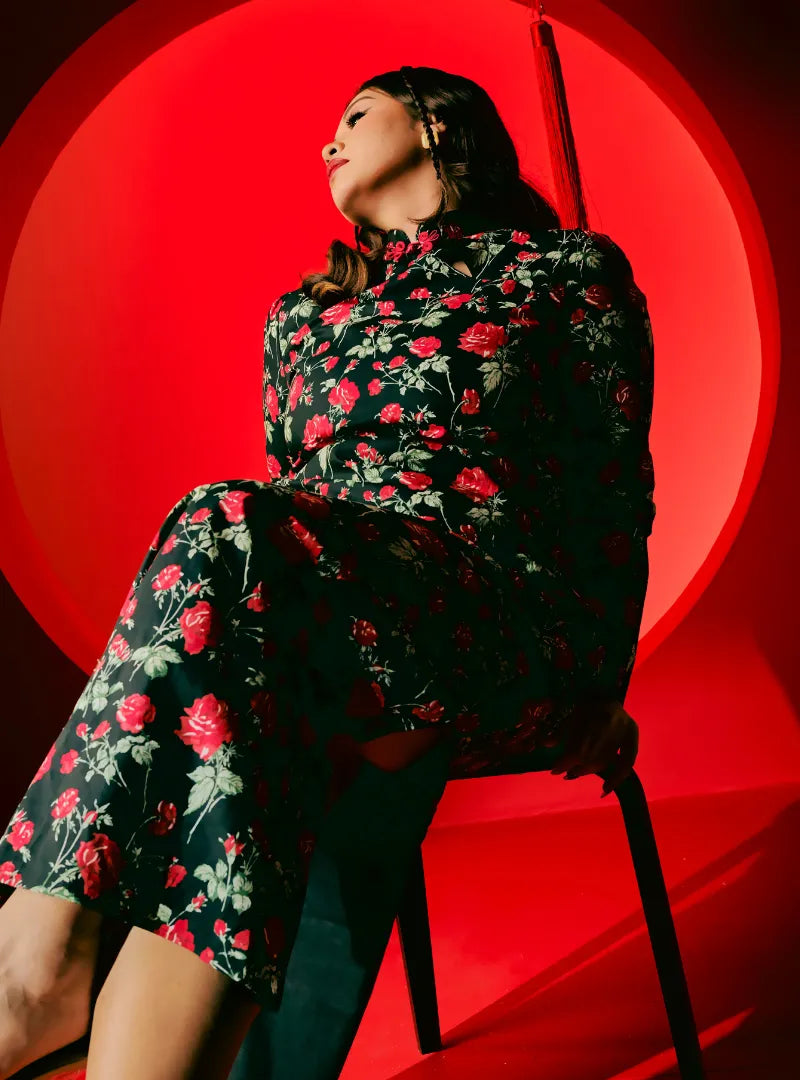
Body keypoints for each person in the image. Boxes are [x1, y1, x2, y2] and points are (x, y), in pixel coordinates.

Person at [0, 64, 654, 1079]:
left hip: (495, 625)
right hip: (334, 629)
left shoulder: (560, 269)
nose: (327, 142)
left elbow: (610, 486)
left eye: (354, 116)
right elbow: (288, 495)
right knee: (234, 702)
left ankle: (35, 962)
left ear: (437, 123)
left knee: (222, 522)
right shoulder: (301, 317)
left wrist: (601, 684)